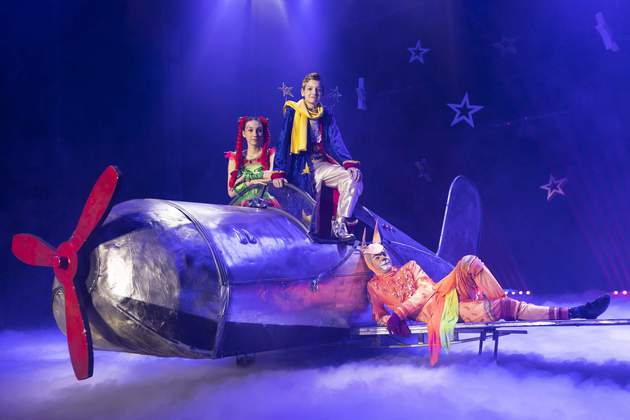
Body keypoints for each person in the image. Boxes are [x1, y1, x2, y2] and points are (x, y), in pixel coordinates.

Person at [361, 225, 611, 365]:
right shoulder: (374, 287)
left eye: (384, 254)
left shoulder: (409, 267)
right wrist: (391, 321)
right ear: (370, 262)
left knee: (470, 261)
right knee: (502, 308)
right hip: (442, 313)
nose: (383, 258)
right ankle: (575, 312)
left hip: (443, 292)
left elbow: (427, 289)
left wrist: (400, 313)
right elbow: (378, 315)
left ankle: (500, 300)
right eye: (377, 257)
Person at [272, 72, 362, 241]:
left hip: (321, 164)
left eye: (318, 90)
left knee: (353, 179)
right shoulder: (293, 112)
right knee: (307, 210)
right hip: (300, 167)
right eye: (310, 89)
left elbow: (335, 140)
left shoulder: (326, 114)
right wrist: (278, 171)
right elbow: (283, 141)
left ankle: (340, 224)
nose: (314, 92)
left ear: (322, 93)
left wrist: (349, 164)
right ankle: (303, 240)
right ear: (302, 91)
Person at [225, 116, 283, 207]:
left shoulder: (271, 154)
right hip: (242, 207)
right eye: (250, 130)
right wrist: (251, 183)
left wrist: (243, 180)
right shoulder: (235, 158)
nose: (255, 134)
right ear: (243, 133)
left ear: (263, 133)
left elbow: (271, 179)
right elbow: (231, 192)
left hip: (265, 204)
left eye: (259, 130)